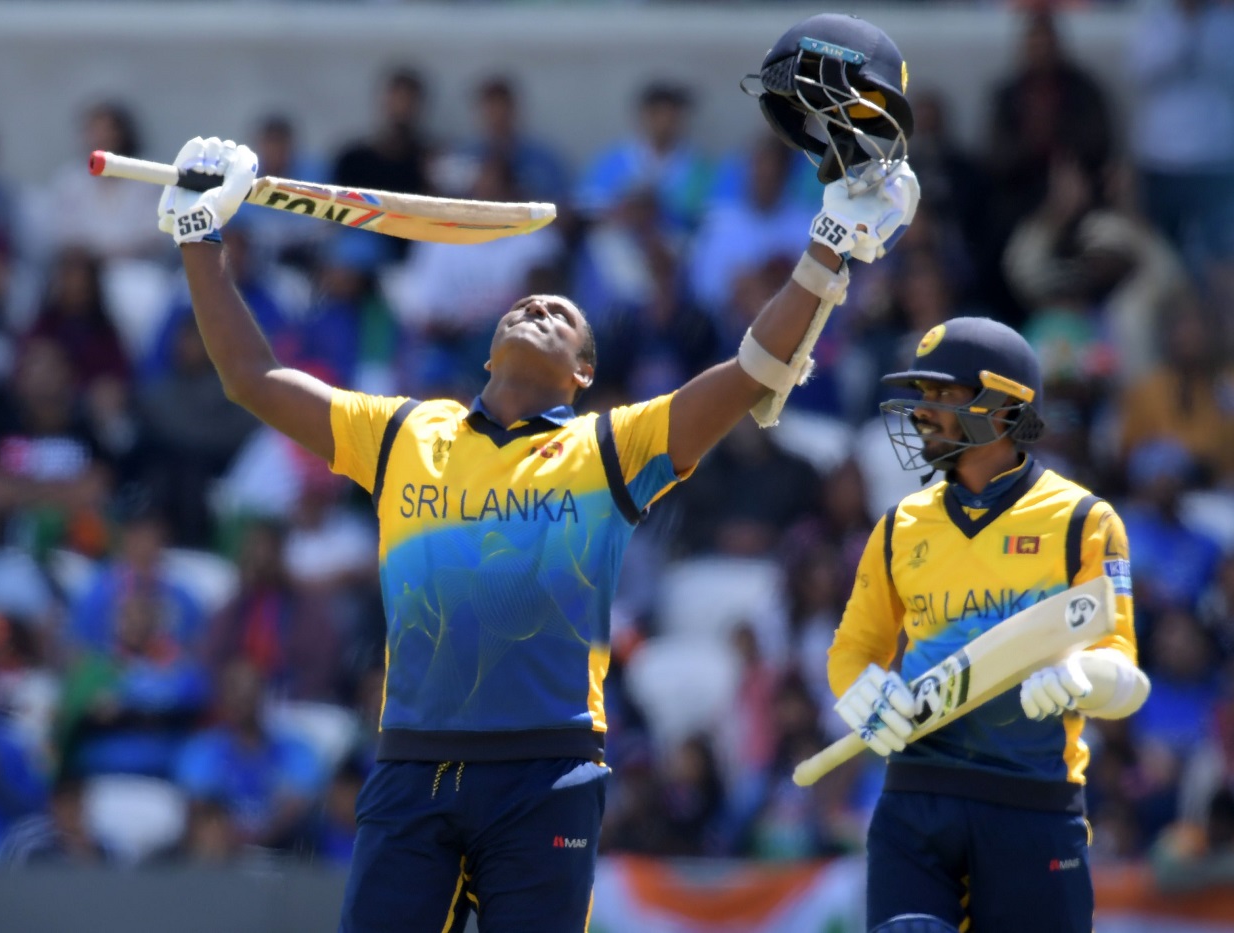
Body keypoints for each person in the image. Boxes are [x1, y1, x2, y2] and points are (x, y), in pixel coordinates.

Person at [152, 13, 916, 929]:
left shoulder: (608, 447)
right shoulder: (405, 432)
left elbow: (753, 372)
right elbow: (251, 377)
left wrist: (828, 246)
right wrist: (199, 235)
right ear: (487, 351)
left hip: (547, 769)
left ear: (584, 374)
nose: (541, 307)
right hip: (412, 763)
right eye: (527, 306)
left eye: (564, 316)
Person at [825, 316, 1151, 932]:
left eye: (943, 394)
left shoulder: (1083, 520)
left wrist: (1086, 676)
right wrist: (861, 691)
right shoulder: (899, 526)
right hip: (915, 801)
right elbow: (854, 651)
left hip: (1032, 802)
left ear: (1002, 409)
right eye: (921, 394)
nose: (923, 412)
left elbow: (1122, 666)